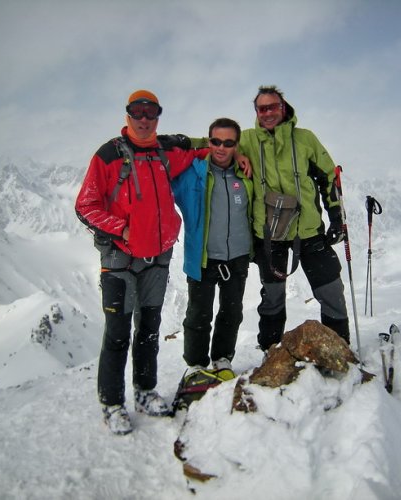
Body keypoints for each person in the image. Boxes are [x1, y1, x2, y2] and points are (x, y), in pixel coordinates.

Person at [74, 89, 208, 435]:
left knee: (149, 330)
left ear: (158, 116)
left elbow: (205, 148)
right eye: (138, 112)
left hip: (158, 258)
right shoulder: (108, 156)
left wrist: (237, 153)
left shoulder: (165, 153)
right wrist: (123, 228)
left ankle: (145, 392)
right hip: (120, 259)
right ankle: (112, 403)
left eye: (151, 112)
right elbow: (85, 205)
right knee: (118, 333)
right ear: (128, 116)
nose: (145, 119)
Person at [238, 85, 350, 351]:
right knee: (273, 296)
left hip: (308, 229)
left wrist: (336, 217)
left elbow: (328, 176)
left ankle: (340, 350)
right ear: (256, 111)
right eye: (262, 108)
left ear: (283, 107)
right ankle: (271, 354)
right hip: (268, 234)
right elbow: (216, 146)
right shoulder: (246, 140)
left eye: (273, 107)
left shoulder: (305, 139)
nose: (268, 113)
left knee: (330, 289)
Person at [171, 118, 254, 381]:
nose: (221, 147)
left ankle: (222, 360)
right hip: (202, 257)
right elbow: (165, 155)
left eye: (228, 143)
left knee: (231, 312)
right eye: (216, 141)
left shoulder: (245, 175)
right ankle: (196, 365)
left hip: (237, 258)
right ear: (208, 142)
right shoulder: (192, 174)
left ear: (236, 146)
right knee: (198, 315)